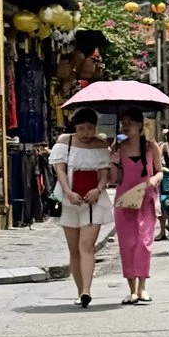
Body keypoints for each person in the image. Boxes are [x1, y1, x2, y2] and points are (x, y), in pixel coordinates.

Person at [50, 104, 116, 304]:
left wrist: (98, 188)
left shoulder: (101, 145)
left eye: (90, 128)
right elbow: (59, 170)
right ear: (75, 128)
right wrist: (68, 191)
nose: (86, 133)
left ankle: (87, 289)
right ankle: (80, 290)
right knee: (74, 249)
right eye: (82, 128)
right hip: (70, 199)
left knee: (86, 246)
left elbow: (104, 172)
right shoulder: (64, 142)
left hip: (93, 201)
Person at [113, 113, 164, 303]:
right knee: (127, 244)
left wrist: (152, 180)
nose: (125, 127)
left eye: (129, 123)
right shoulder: (118, 147)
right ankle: (131, 289)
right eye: (123, 123)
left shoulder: (151, 147)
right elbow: (112, 179)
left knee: (144, 243)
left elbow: (160, 172)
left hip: (146, 200)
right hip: (124, 201)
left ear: (140, 126)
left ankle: (143, 287)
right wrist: (113, 162)